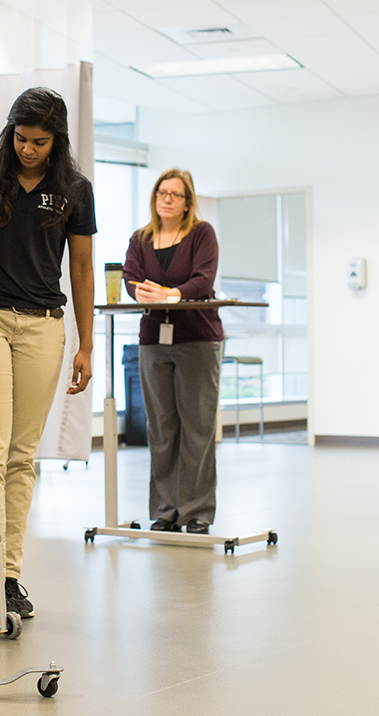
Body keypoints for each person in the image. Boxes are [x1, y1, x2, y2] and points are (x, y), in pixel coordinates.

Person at [0, 86, 94, 626]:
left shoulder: (75, 190)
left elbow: (81, 269)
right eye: (20, 138)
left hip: (44, 326)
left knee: (22, 455)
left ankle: (9, 575)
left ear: (56, 141)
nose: (27, 149)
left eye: (39, 142)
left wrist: (86, 343)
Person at [122, 168, 223, 535]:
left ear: (187, 202)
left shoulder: (201, 234)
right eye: (161, 192)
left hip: (197, 338)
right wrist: (144, 293)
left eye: (175, 194)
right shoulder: (140, 238)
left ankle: (197, 511)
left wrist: (171, 294)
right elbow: (131, 278)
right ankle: (166, 510)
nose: (166, 198)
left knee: (196, 427)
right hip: (154, 340)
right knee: (161, 428)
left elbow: (202, 280)